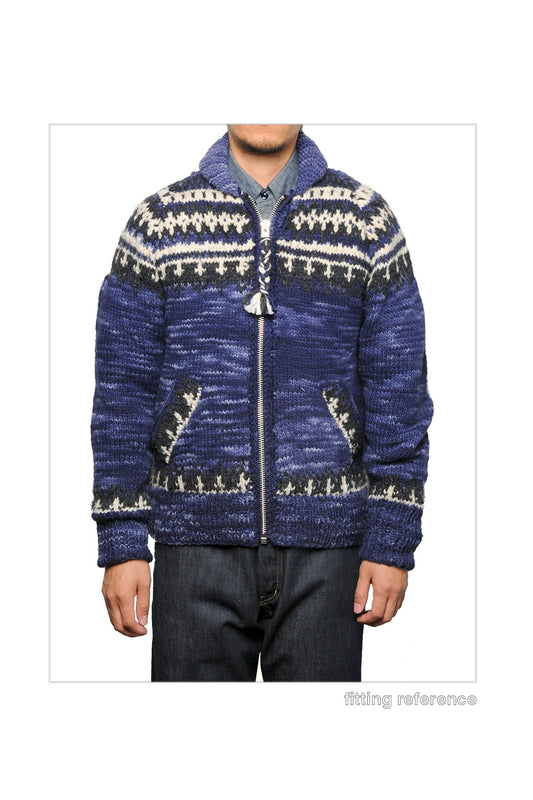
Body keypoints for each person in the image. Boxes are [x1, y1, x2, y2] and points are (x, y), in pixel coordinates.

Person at [91, 124, 434, 681]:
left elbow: (400, 392)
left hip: (330, 547)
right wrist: (121, 538)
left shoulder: (366, 222)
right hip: (192, 542)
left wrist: (393, 538)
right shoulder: (158, 224)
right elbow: (121, 393)